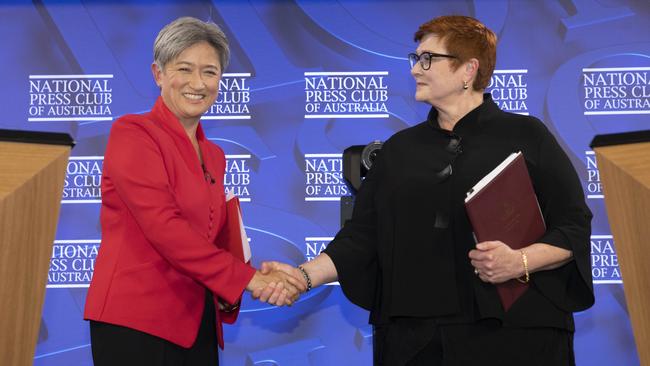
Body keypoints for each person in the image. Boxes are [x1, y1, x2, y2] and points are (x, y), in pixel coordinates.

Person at [256, 15, 594, 366]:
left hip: (519, 336)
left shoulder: (527, 135)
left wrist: (518, 261)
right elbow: (360, 239)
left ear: (468, 70)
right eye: (415, 58)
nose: (416, 69)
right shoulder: (399, 150)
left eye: (428, 58)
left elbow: (573, 226)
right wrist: (302, 276)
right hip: (415, 342)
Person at [84, 16, 304, 366]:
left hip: (196, 321)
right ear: (158, 74)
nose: (197, 83)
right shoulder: (133, 133)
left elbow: (211, 237)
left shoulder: (214, 155)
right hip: (137, 322)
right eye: (184, 69)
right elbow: (164, 227)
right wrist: (248, 280)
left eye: (210, 72)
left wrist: (246, 279)